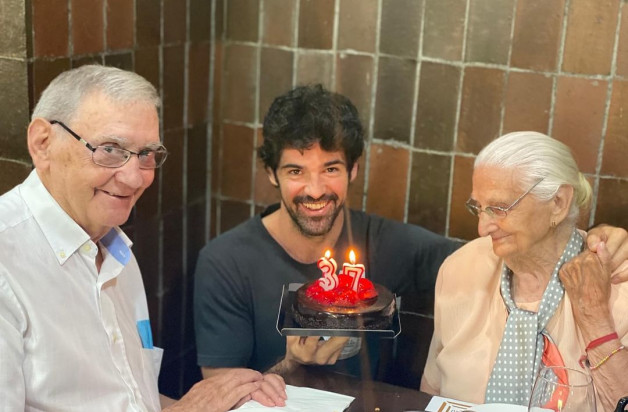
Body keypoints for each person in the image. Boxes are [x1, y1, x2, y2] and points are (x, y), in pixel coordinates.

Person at [193, 84, 628, 382]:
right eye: (294, 171)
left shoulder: (391, 245)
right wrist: (291, 364)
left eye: (331, 169)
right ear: (271, 173)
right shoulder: (226, 261)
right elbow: (222, 397)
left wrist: (588, 233)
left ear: (354, 170)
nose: (315, 190)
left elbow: (504, 243)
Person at [0, 65, 285, 411]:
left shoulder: (116, 250)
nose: (135, 179)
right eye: (110, 149)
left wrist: (227, 400)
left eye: (147, 155)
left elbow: (129, 401)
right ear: (42, 143)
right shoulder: (8, 262)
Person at [421, 132, 628, 411]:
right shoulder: (462, 269)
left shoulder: (618, 284)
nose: (483, 228)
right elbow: (432, 394)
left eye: (499, 208)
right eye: (479, 208)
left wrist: (596, 321)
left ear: (558, 203)